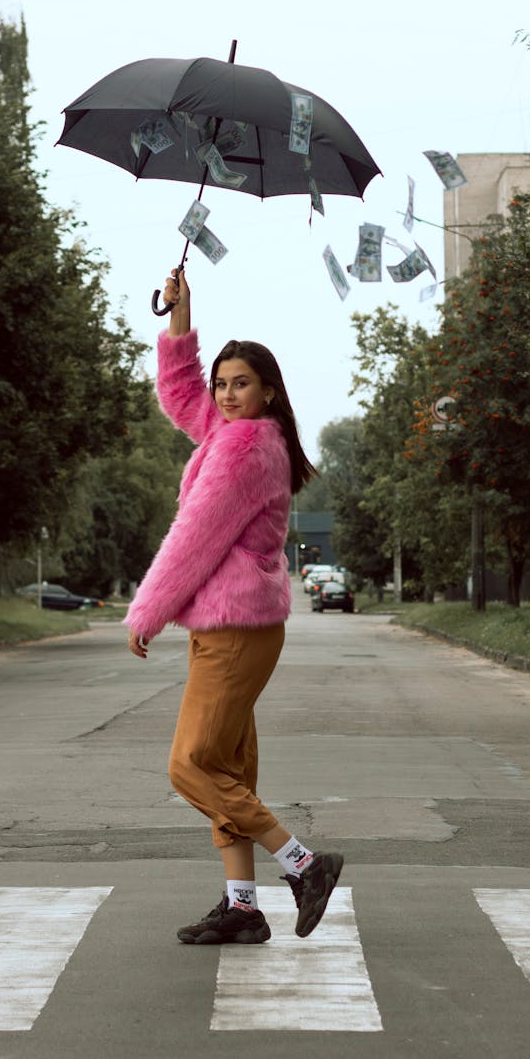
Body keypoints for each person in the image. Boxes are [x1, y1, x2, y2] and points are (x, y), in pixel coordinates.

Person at [126, 268, 343, 945]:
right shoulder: (229, 431)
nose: (224, 394)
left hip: (236, 627)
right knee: (225, 770)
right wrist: (181, 320)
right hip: (232, 624)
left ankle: (305, 865)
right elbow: (181, 393)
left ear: (269, 390)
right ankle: (243, 907)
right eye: (222, 383)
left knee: (190, 765)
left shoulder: (247, 447)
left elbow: (196, 535)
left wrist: (147, 612)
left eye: (240, 382)